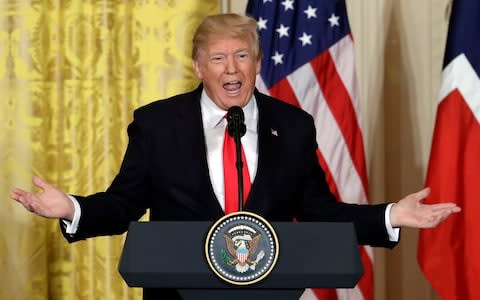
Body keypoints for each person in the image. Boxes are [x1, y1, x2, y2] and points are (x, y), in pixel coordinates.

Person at [11, 13, 460, 300]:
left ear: (257, 62)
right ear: (198, 66)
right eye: (219, 58)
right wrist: (71, 207)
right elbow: (124, 204)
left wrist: (391, 216)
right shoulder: (158, 125)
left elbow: (319, 211)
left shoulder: (295, 125)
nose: (232, 68)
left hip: (272, 291)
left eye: (242, 56)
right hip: (178, 293)